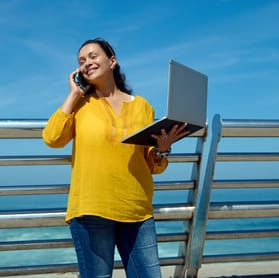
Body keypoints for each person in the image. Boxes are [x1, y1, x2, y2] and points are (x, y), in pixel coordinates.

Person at [42, 38, 188, 278]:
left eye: (92, 56)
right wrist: (74, 94)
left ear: (112, 61)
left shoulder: (143, 106)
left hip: (137, 210)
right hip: (91, 209)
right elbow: (52, 138)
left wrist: (163, 148)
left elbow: (153, 165)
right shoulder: (80, 105)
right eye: (81, 61)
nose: (86, 63)